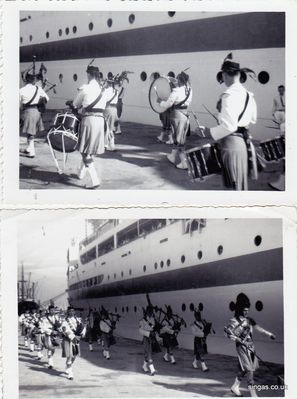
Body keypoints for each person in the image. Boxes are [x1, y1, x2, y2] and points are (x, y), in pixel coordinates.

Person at [198, 53, 257, 190]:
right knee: (240, 187)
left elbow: (229, 126)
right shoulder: (249, 94)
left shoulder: (229, 95)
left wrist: (208, 132)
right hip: (243, 144)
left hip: (231, 145)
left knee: (233, 188)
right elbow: (252, 119)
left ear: (225, 74)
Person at [224, 293, 276, 397]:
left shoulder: (249, 320)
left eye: (248, 310)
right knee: (249, 370)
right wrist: (237, 339)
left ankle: (235, 387)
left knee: (244, 369)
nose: (247, 312)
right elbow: (227, 333)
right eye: (244, 310)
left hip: (251, 346)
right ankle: (253, 394)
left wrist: (269, 334)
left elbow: (258, 328)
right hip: (242, 347)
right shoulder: (234, 321)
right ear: (239, 309)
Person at [71, 65, 113, 189]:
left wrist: (76, 105)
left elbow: (75, 104)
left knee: (84, 151)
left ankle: (94, 180)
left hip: (89, 120)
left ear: (89, 75)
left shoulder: (85, 89)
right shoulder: (103, 90)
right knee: (89, 149)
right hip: (100, 121)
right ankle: (81, 173)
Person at [158, 71, 193, 169]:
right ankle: (172, 156)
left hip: (177, 115)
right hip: (185, 115)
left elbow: (167, 104)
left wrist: (160, 102)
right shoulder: (189, 90)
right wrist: (168, 77)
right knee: (180, 137)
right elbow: (176, 81)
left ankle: (184, 162)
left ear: (180, 80)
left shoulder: (176, 91)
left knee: (178, 139)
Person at [19, 73, 49, 158]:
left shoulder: (21, 90)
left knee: (30, 133)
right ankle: (29, 148)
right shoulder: (38, 88)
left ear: (25, 80)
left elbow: (19, 105)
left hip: (27, 112)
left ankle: (32, 152)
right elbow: (47, 99)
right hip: (37, 112)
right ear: (34, 80)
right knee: (31, 132)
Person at [60, 306, 86, 380]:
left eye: (73, 311)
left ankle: (67, 366)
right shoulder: (64, 321)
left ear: (74, 312)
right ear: (68, 312)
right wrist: (73, 337)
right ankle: (70, 373)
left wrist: (82, 334)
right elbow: (65, 330)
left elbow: (82, 327)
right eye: (70, 311)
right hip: (68, 339)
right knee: (70, 356)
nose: (71, 312)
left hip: (76, 339)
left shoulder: (78, 319)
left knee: (74, 356)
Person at [139, 305, 160, 376]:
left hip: (153, 338)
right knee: (149, 353)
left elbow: (155, 328)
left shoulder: (153, 319)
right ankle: (152, 369)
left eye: (151, 311)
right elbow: (140, 330)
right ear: (146, 311)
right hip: (146, 338)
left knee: (148, 353)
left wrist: (155, 333)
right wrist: (148, 333)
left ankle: (144, 365)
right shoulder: (142, 321)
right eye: (149, 311)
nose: (150, 313)